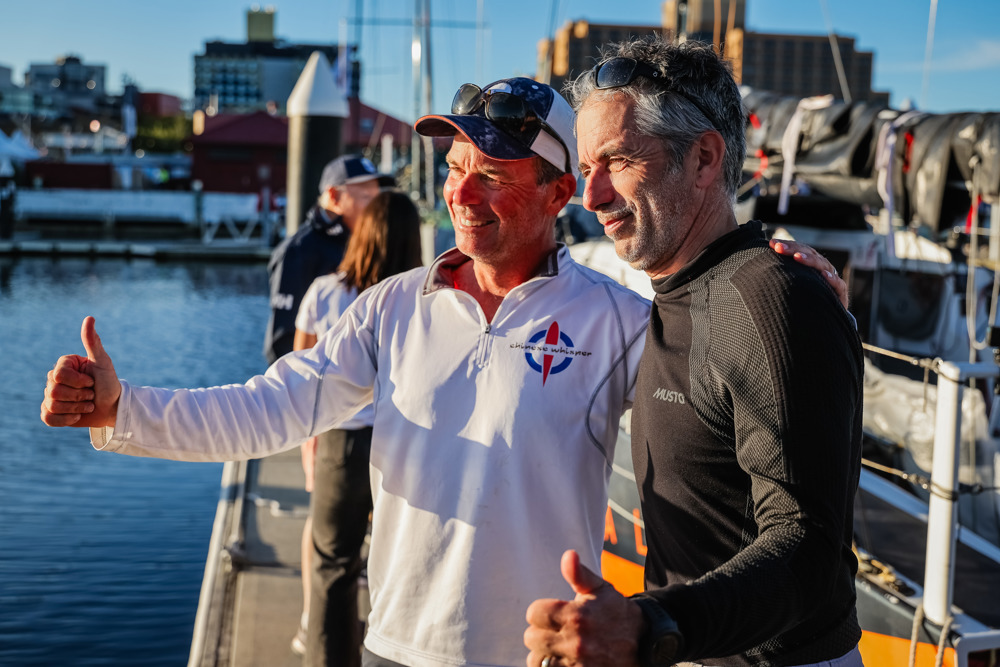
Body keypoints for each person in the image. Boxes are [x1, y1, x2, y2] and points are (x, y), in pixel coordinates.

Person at [41, 77, 844, 667]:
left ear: (560, 192)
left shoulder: (619, 318)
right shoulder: (392, 307)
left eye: (493, 174)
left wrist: (783, 277)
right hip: (395, 644)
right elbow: (267, 409)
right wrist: (124, 409)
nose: (461, 191)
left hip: (540, 652)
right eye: (456, 166)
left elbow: (723, 369)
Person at [524, 38, 863, 667]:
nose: (590, 195)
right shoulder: (684, 292)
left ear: (704, 158)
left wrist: (650, 627)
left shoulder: (772, 300)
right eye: (587, 165)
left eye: (619, 160)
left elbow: (809, 547)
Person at [292, 190, 423, 666]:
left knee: (333, 563)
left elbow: (301, 376)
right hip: (409, 444)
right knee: (407, 566)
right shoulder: (427, 300)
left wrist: (311, 449)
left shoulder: (325, 293)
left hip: (342, 444)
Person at [263, 154, 385, 364]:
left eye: (377, 199)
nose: (376, 208)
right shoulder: (297, 251)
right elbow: (282, 343)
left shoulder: (365, 244)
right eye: (366, 197)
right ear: (334, 196)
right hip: (320, 387)